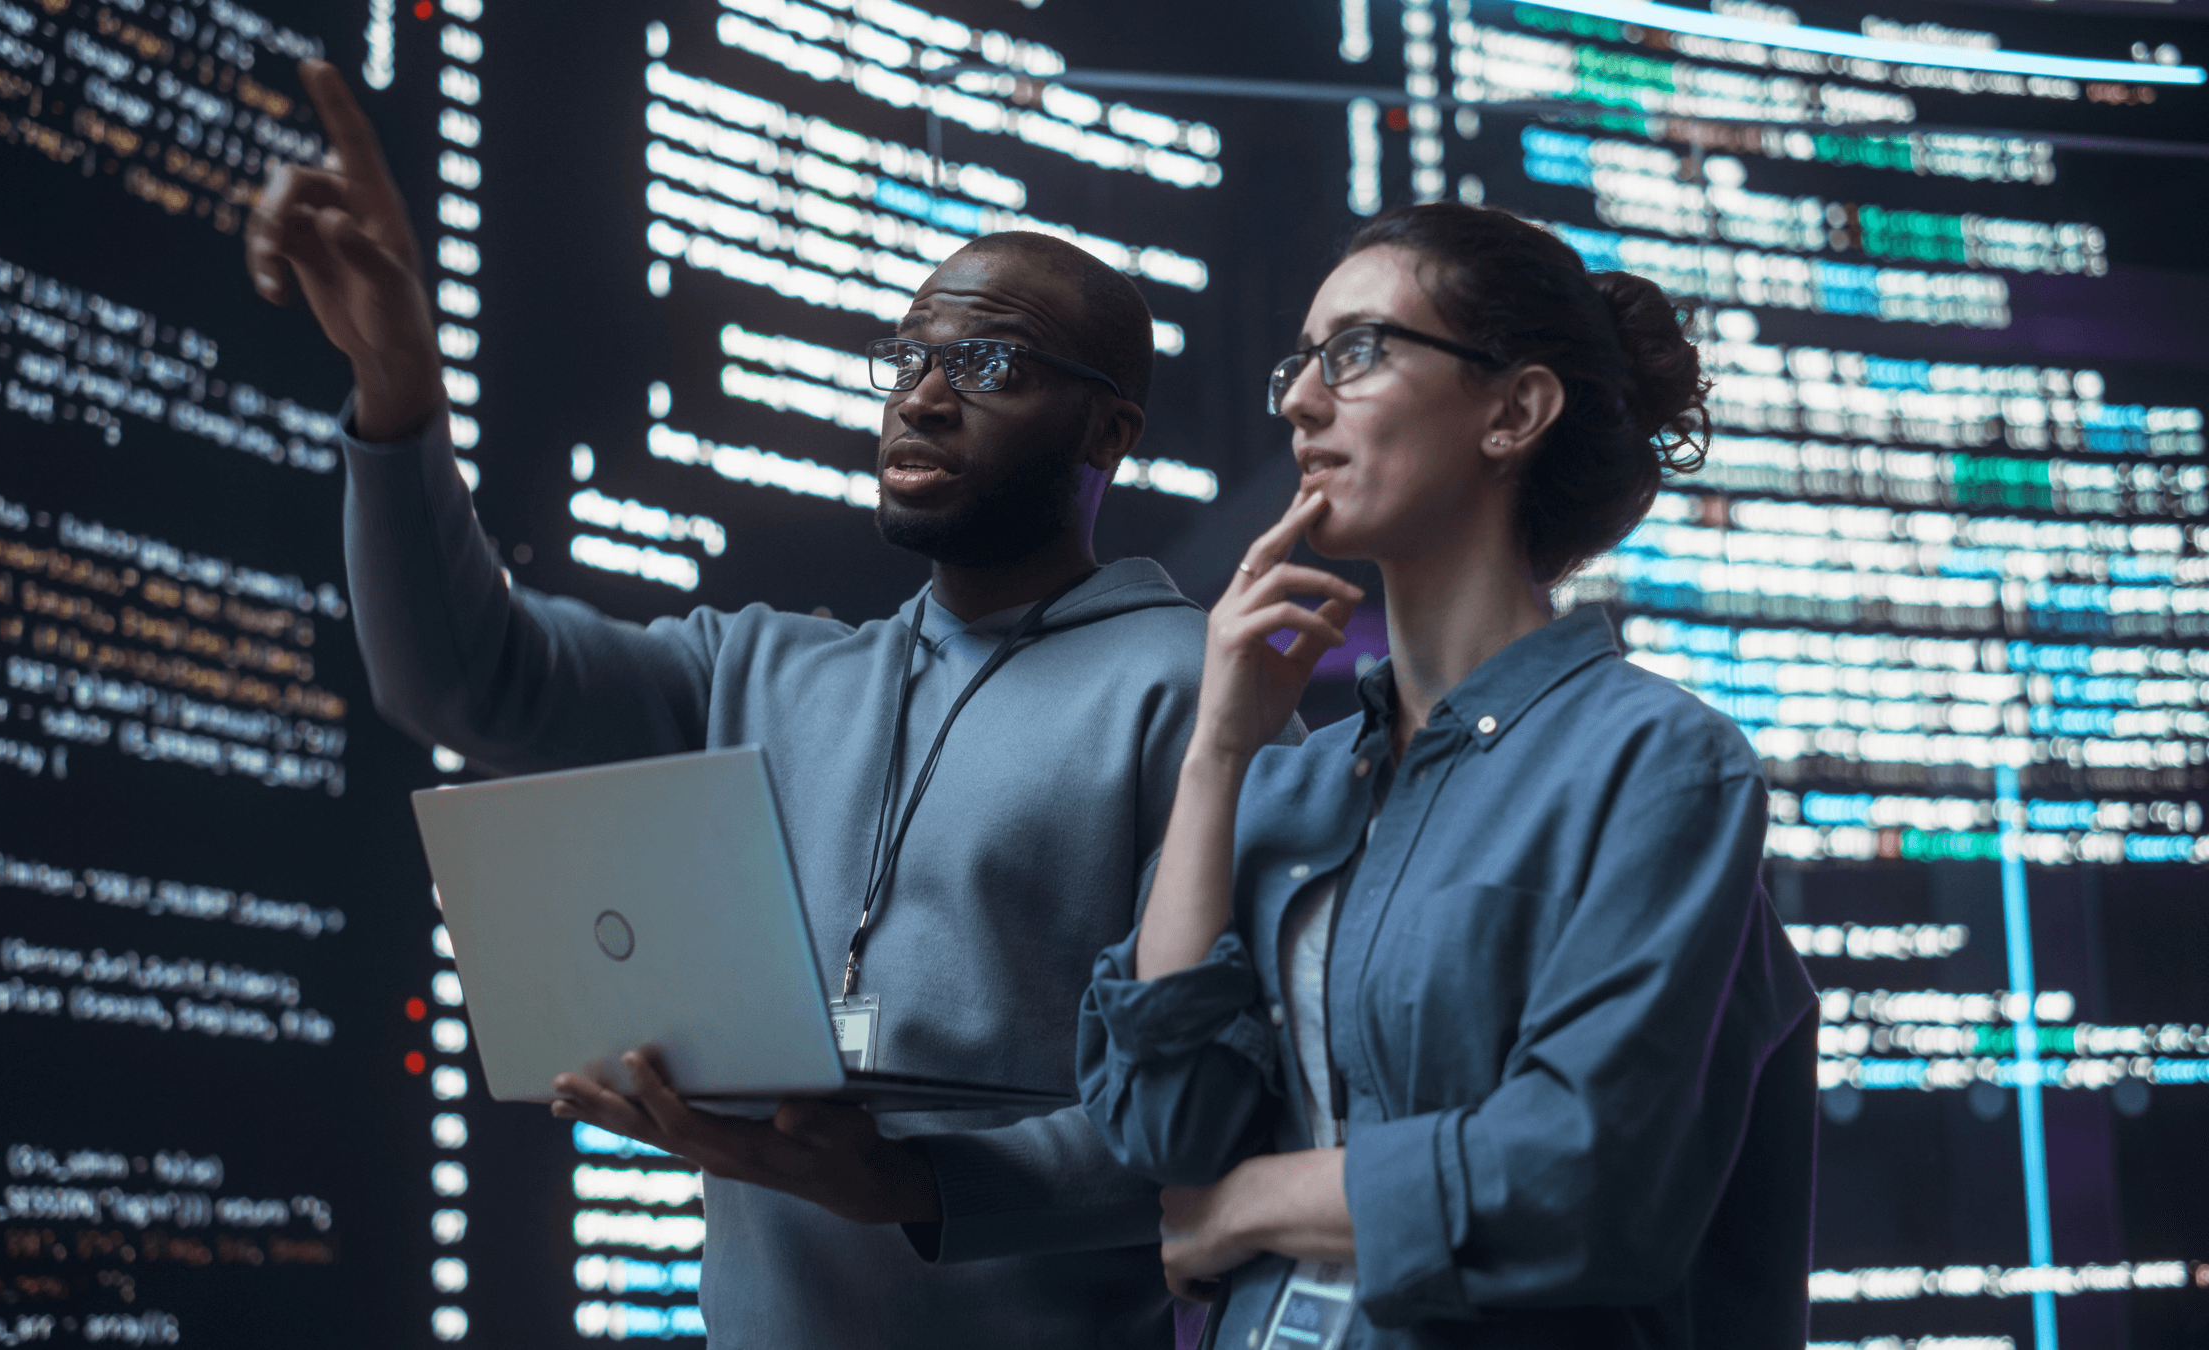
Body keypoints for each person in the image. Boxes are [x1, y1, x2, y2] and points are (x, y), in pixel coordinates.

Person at [247, 59, 1268, 1348]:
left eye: (991, 361)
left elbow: (1227, 1114)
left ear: (1107, 434)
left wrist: (916, 1182)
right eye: (908, 356)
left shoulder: (1195, 683)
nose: (922, 396)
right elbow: (457, 678)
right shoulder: (760, 668)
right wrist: (399, 393)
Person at [1076, 202, 1817, 1348]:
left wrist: (1251, 1204)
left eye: (1356, 352)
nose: (1297, 400)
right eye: (1299, 361)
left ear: (1513, 410)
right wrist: (1217, 758)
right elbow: (1163, 1132)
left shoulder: (1656, 761)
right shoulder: (1286, 785)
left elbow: (1586, 1181)